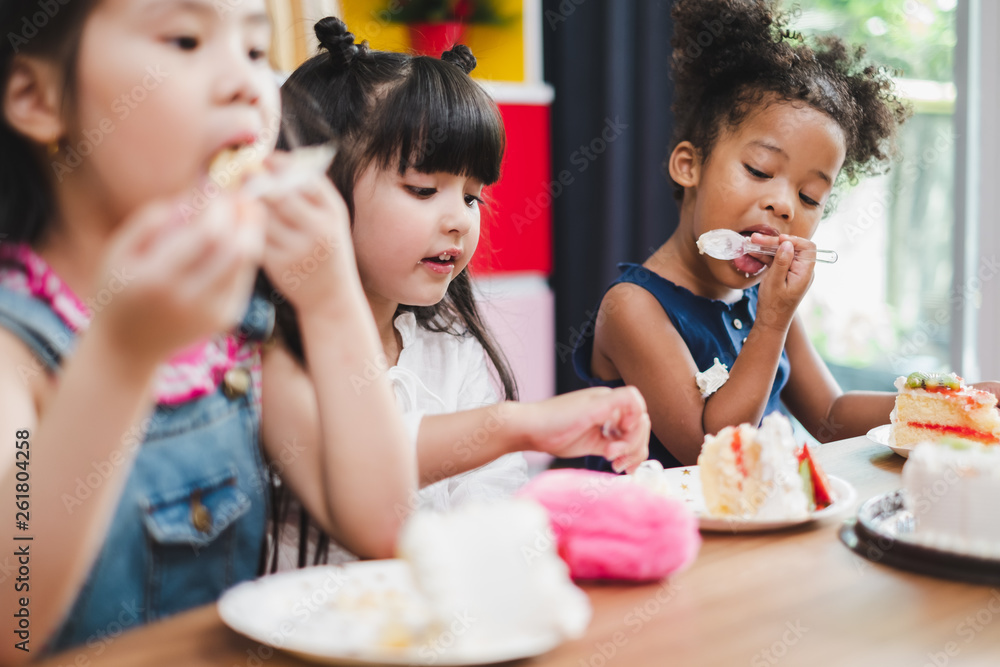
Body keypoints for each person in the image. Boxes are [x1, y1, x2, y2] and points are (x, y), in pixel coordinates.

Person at [0, 1, 419, 659]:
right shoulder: (14, 349)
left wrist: (331, 298)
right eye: (187, 39)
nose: (248, 85)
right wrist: (119, 356)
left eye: (255, 50)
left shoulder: (232, 335)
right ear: (36, 97)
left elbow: (385, 526)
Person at [271, 18, 652, 565]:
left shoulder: (453, 346)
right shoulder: (269, 351)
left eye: (472, 196)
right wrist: (515, 426)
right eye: (423, 189)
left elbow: (490, 503)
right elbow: (356, 468)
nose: (458, 220)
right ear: (316, 186)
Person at [573, 0, 933, 468]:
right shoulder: (632, 308)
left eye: (808, 197)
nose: (784, 205)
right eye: (760, 170)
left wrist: (941, 407)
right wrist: (771, 322)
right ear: (690, 166)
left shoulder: (766, 303)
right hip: (661, 534)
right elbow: (710, 451)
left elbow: (829, 415)